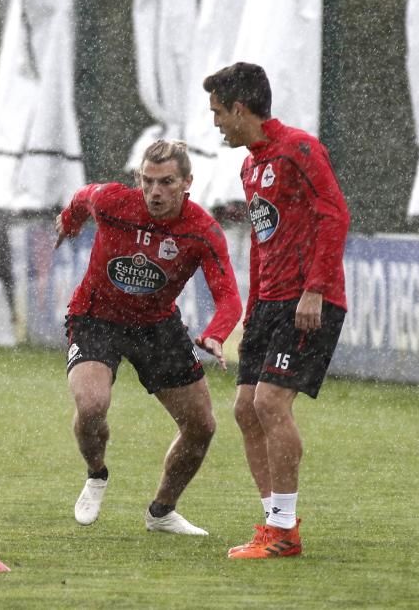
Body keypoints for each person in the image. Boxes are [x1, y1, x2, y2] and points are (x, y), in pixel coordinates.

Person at [54, 139, 242, 535]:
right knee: (91, 405)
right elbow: (82, 197)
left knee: (202, 427)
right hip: (96, 316)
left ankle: (162, 512)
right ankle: (97, 473)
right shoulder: (113, 202)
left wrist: (215, 333)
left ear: (187, 181)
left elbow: (228, 298)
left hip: (156, 326)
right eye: (148, 181)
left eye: (167, 182)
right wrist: (69, 220)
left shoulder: (202, 230)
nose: (155, 192)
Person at [202, 62, 350, 558]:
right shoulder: (250, 164)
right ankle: (273, 522)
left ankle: (285, 530)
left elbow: (335, 214)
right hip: (270, 304)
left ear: (240, 109)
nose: (217, 123)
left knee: (269, 404)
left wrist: (316, 289)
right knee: (246, 409)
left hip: (308, 301)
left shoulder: (300, 150)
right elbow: (265, 241)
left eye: (219, 113)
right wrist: (255, 305)